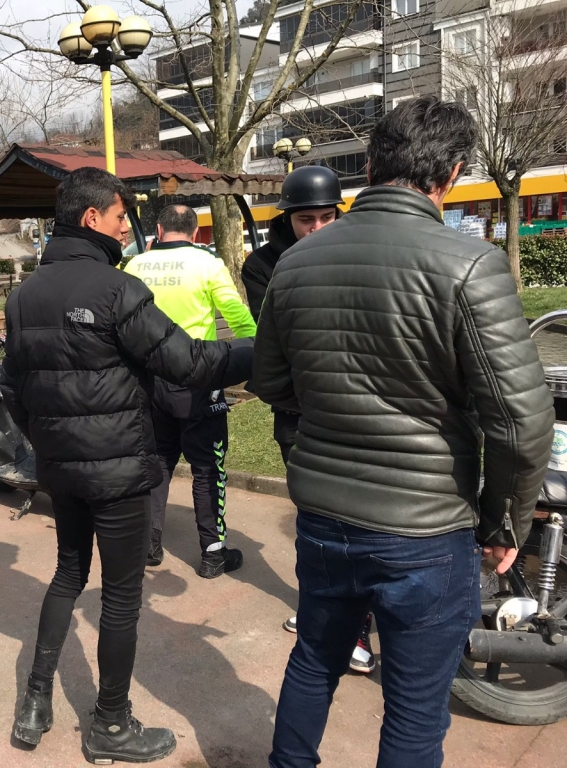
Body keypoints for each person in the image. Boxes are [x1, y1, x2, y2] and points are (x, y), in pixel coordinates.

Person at [254, 96, 555, 768]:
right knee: (415, 708)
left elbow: (272, 383)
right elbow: (521, 420)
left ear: (369, 165)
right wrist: (504, 524)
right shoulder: (469, 264)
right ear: (452, 173)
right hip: (425, 530)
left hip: (325, 515)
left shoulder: (295, 263)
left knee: (314, 659)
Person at [0, 167, 254, 764]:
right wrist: (263, 350)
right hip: (116, 473)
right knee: (119, 596)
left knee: (67, 575)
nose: (125, 228)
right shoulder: (117, 289)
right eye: (120, 216)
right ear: (92, 217)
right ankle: (110, 725)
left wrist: (48, 441)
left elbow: (12, 388)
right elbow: (189, 363)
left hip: (61, 469)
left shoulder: (23, 295)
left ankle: (35, 701)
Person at [241, 167, 378, 674]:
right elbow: (279, 338)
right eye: (306, 220)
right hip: (299, 411)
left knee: (360, 522)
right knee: (315, 520)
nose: (317, 228)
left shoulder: (358, 249)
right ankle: (322, 609)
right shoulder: (263, 265)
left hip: (359, 409)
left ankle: (358, 626)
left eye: (326, 217)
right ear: (287, 219)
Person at [124, 204, 256, 577]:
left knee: (158, 462)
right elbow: (237, 315)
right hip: (199, 380)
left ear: (159, 229)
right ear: (195, 232)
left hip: (151, 381)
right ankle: (213, 554)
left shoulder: (135, 266)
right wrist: (258, 349)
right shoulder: (207, 263)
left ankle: (149, 545)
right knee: (208, 467)